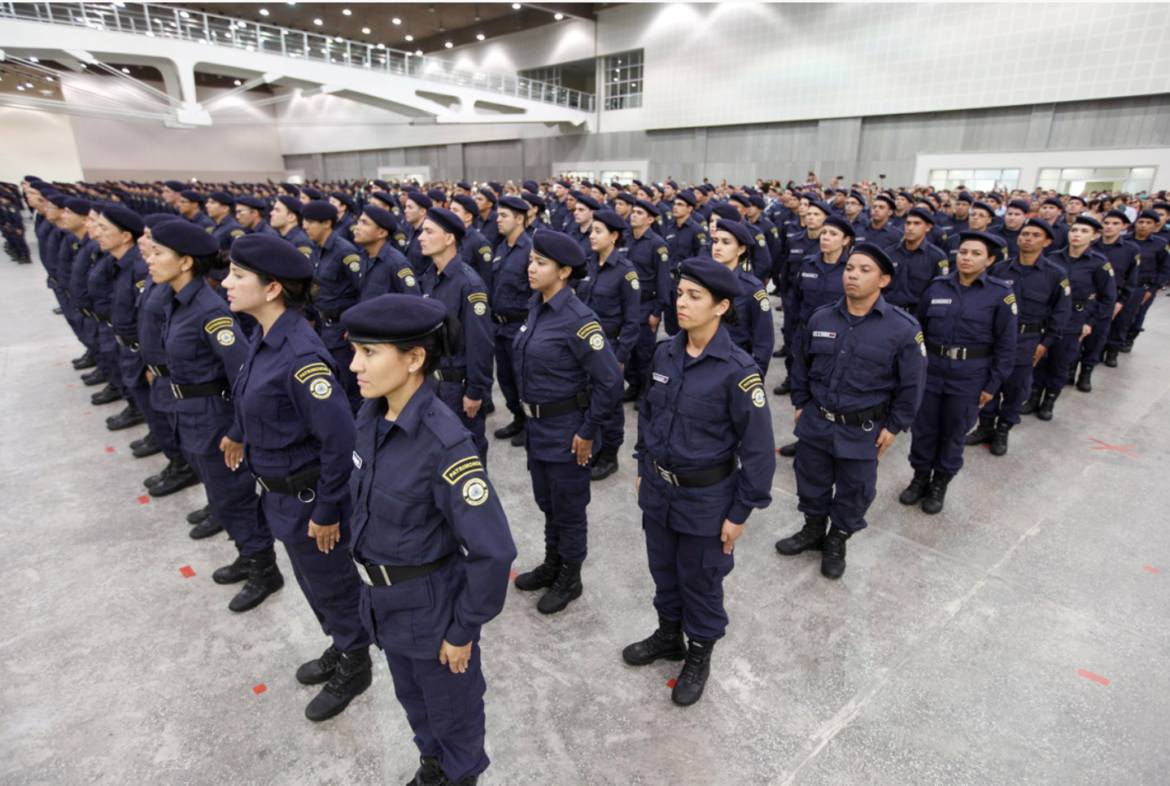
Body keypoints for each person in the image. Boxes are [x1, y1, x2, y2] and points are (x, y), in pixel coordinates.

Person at [342, 294, 516, 786]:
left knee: (454, 719)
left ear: (414, 359)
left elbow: (494, 549)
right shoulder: (370, 416)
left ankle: (457, 776)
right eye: (355, 351)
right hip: (386, 603)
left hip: (434, 614)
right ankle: (433, 767)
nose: (354, 365)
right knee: (416, 707)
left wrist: (463, 629)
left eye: (369, 353)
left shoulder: (447, 444)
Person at [220, 235, 373, 721]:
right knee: (311, 584)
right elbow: (254, 396)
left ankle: (356, 660)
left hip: (310, 499)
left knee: (333, 585)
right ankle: (340, 642)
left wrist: (327, 509)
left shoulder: (302, 357)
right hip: (279, 495)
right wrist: (238, 433)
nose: (226, 282)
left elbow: (340, 440)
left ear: (272, 290)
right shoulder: (264, 338)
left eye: (239, 275)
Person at [624, 257, 775, 706]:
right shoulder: (665, 351)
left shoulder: (738, 370)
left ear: (721, 307)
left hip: (707, 499)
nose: (681, 302)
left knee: (702, 580)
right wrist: (640, 464)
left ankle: (699, 653)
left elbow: (759, 450)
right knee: (663, 572)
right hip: (659, 488)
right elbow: (649, 414)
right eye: (680, 293)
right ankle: (669, 635)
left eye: (694, 296)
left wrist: (740, 512)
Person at [147, 220, 281, 611]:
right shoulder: (175, 301)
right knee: (221, 498)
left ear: (185, 261)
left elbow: (244, 374)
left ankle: (264, 568)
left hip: (215, 418)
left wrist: (239, 430)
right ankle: (247, 552)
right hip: (188, 413)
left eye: (159, 253)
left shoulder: (210, 311)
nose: (150, 259)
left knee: (234, 498)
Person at [777, 244, 924, 578]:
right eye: (849, 268)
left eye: (864, 270)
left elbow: (912, 383)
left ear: (884, 280)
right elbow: (802, 364)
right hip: (817, 421)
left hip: (864, 427)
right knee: (810, 480)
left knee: (855, 490)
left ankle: (837, 539)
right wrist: (801, 403)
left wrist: (896, 425)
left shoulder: (902, 329)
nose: (853, 275)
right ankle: (813, 530)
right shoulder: (821, 317)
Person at [510, 231, 622, 615]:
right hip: (537, 429)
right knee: (548, 503)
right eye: (531, 260)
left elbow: (610, 381)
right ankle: (553, 562)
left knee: (569, 507)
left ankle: (570, 576)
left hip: (567, 431)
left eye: (540, 263)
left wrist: (589, 431)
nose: (531, 268)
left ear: (564, 272)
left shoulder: (579, 320)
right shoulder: (536, 307)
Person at [899, 231, 1016, 514]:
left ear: (989, 260)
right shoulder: (937, 287)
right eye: (963, 251)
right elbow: (919, 333)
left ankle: (940, 483)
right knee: (924, 428)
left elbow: (1006, 343)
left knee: (953, 431)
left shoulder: (1000, 294)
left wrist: (993, 383)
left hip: (970, 375)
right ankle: (920, 477)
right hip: (933, 370)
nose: (967, 258)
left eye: (976, 254)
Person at [967, 218, 1070, 454]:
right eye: (1025, 234)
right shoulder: (999, 269)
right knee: (990, 384)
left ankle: (1002, 431)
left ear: (1047, 242)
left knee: (1016, 389)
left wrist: (1046, 343)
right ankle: (985, 426)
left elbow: (1061, 311)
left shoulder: (1055, 274)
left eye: (1035, 235)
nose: (1028, 239)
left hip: (1027, 341)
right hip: (993, 340)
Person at [417, 208, 494, 462]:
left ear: (449, 238)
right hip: (432, 380)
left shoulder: (468, 284)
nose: (420, 237)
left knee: (465, 452)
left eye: (428, 231)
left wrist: (475, 391)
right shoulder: (430, 277)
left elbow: (480, 343)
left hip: (457, 387)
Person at [1026, 215, 1115, 419]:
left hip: (1075, 318)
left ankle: (1049, 402)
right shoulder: (1053, 258)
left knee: (1060, 361)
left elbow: (1107, 298)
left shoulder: (1099, 263)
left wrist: (1089, 322)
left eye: (1084, 232)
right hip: (1048, 316)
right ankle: (1033, 398)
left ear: (1094, 236)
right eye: (1074, 230)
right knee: (1040, 358)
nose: (1077, 235)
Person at [577, 209, 640, 481]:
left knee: (611, 402)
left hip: (611, 346)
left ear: (614, 236)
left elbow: (632, 320)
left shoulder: (626, 273)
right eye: (592, 230)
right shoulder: (588, 264)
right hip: (586, 346)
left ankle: (610, 455)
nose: (592, 235)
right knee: (588, 398)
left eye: (598, 231)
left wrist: (621, 356)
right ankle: (594, 446)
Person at [302, 200, 364, 411]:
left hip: (343, 331)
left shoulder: (344, 252)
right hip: (324, 328)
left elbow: (362, 290)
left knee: (350, 388)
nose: (305, 226)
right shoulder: (319, 250)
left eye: (311, 222)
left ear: (327, 223)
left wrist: (355, 325)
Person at [488, 196, 534, 447]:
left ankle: (530, 424)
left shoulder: (530, 250)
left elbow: (537, 293)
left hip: (521, 326)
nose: (498, 220)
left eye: (504, 215)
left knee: (522, 379)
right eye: (498, 215)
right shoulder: (502, 248)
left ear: (519, 219)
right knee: (505, 378)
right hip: (500, 327)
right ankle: (518, 418)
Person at [708, 219, 774, 377]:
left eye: (726, 242)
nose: (717, 247)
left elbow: (763, 341)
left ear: (741, 249)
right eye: (715, 241)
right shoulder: (704, 283)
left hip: (734, 366)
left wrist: (754, 377)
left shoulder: (752, 289)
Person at [621, 200, 671, 405]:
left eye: (639, 213)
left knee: (644, 351)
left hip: (646, 306)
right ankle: (633, 384)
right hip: (625, 305)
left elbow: (664, 280)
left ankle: (645, 388)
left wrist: (657, 311)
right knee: (627, 349)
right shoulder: (624, 240)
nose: (634, 215)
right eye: (634, 212)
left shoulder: (658, 244)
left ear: (650, 220)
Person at [884, 206, 949, 315]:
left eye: (917, 223)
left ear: (928, 227)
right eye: (908, 223)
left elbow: (939, 292)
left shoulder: (936, 257)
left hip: (917, 315)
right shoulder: (889, 253)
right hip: (888, 312)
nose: (910, 228)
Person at [1100, 210, 1143, 368]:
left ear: (1124, 226)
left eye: (1115, 224)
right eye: (1107, 223)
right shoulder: (1092, 245)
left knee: (1119, 324)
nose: (1110, 227)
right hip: (1095, 296)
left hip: (1117, 294)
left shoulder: (1130, 249)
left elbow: (1132, 277)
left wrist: (1122, 300)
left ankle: (1112, 351)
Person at [352, 205, 421, 300]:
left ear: (382, 233)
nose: (358, 227)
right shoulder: (364, 256)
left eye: (365, 223)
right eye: (359, 222)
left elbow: (414, 303)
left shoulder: (397, 264)